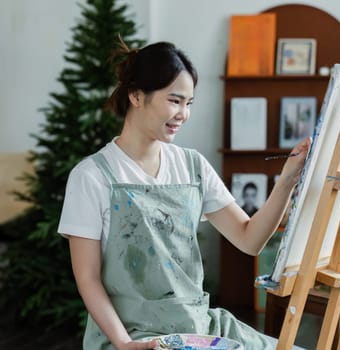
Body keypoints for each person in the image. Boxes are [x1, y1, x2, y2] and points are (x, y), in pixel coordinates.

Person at [58, 38, 310, 350]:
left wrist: (286, 180)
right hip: (131, 336)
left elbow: (250, 239)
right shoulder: (91, 176)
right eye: (175, 101)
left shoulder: (192, 166)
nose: (183, 113)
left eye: (188, 103)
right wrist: (123, 344)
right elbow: (88, 279)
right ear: (136, 95)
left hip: (198, 329)